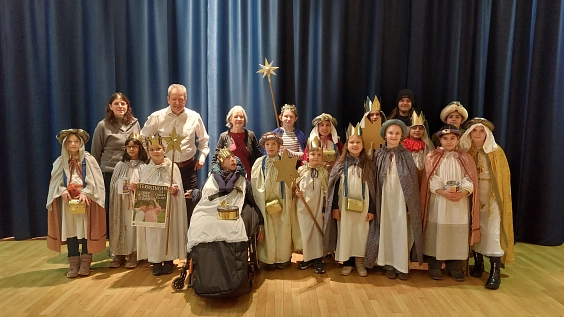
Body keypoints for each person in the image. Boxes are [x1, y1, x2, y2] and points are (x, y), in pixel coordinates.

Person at [140, 84, 210, 227]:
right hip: (164, 169)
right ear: (168, 99)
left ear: (186, 99)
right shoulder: (157, 117)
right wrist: (153, 157)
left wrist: (202, 157)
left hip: (188, 169)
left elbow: (204, 140)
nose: (177, 103)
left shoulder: (194, 117)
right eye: (174, 99)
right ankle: (168, 243)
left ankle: (188, 242)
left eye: (181, 99)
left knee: (189, 204)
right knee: (165, 206)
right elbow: (143, 138)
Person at [459, 118, 515, 290]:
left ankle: (495, 271)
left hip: (492, 198)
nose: (477, 134)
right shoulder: (466, 152)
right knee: (475, 229)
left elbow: (503, 179)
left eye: (481, 131)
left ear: (487, 133)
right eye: (474, 131)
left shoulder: (496, 152)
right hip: (472, 197)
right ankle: (478, 263)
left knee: (492, 232)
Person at [420, 125, 480, 282]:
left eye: (452, 138)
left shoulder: (465, 158)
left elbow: (471, 178)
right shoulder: (432, 157)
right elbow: (430, 178)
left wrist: (465, 191)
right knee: (437, 232)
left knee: (456, 233)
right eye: (445, 138)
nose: (449, 141)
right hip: (439, 202)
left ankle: (455, 266)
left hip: (458, 203)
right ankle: (434, 265)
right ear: (440, 139)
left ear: (458, 139)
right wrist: (442, 191)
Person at [366, 119, 424, 280]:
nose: (393, 136)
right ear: (385, 134)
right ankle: (388, 263)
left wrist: (408, 203)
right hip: (384, 200)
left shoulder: (406, 156)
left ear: (402, 136)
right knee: (385, 229)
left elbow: (411, 182)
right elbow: (373, 181)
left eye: (397, 133)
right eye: (390, 133)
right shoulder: (378, 155)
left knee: (401, 230)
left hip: (401, 199)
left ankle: (401, 264)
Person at [46, 129, 106, 278]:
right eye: (70, 142)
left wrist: (86, 192)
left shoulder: (88, 160)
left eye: (76, 141)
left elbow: (96, 181)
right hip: (68, 204)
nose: (73, 144)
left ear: (81, 143)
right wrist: (62, 191)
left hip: (85, 202)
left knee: (85, 230)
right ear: (65, 144)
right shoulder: (60, 162)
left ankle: (86, 261)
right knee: (71, 231)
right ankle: (73, 262)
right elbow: (55, 182)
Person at [186, 148, 265, 252]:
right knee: (199, 222)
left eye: (233, 157)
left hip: (234, 211)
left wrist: (261, 222)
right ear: (222, 164)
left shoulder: (242, 180)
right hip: (213, 210)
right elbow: (204, 194)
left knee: (235, 225)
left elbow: (253, 201)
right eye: (228, 158)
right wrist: (193, 193)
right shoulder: (211, 179)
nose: (233, 159)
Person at [131, 133, 188, 276]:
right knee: (153, 234)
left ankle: (168, 260)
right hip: (151, 210)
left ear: (164, 149)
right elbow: (143, 188)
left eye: (158, 149)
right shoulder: (146, 168)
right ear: (148, 151)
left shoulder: (172, 166)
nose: (155, 152)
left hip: (169, 207)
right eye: (152, 149)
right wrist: (136, 188)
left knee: (168, 233)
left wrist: (174, 189)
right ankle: (155, 261)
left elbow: (178, 187)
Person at [324, 124, 375, 277]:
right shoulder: (340, 164)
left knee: (361, 233)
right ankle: (347, 262)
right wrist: (334, 207)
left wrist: (372, 209)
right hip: (343, 206)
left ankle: (360, 262)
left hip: (363, 206)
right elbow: (332, 189)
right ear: (347, 145)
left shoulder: (368, 165)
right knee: (345, 232)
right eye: (352, 142)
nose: (355, 145)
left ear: (363, 145)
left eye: (358, 142)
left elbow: (374, 190)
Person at [91, 92, 140, 236]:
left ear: (127, 106)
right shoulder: (103, 125)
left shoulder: (135, 123)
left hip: (131, 172)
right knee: (114, 208)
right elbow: (95, 152)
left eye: (123, 103)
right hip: (111, 172)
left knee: (130, 207)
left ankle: (132, 243)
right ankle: (114, 243)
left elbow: (140, 146)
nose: (120, 106)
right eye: (116, 104)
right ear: (110, 107)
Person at [251, 132, 294, 269]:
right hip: (266, 201)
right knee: (268, 229)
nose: (270, 147)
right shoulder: (259, 163)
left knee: (283, 227)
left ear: (278, 145)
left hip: (282, 201)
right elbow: (255, 183)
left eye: (274, 144)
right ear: (264, 146)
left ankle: (282, 258)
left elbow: (291, 181)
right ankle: (268, 258)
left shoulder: (284, 161)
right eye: (267, 144)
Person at [108, 134, 148, 269]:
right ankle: (120, 253)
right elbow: (113, 184)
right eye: (129, 147)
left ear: (140, 148)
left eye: (134, 146)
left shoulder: (144, 166)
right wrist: (122, 185)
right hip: (122, 203)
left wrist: (138, 187)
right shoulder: (120, 165)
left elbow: (148, 186)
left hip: (137, 204)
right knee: (122, 224)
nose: (131, 149)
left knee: (135, 227)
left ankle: (135, 253)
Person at [294, 137, 329, 274]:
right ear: (307, 155)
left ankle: (318, 259)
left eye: (319, 154)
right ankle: (307, 257)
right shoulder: (301, 170)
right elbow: (294, 186)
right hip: (303, 208)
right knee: (306, 232)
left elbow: (327, 191)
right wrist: (296, 192)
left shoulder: (324, 172)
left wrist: (325, 208)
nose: (316, 157)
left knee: (317, 232)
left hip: (318, 207)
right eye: (313, 154)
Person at [211, 105, 262, 180]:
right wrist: (214, 174)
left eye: (241, 117)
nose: (239, 119)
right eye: (235, 117)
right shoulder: (224, 136)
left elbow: (258, 156)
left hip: (249, 177)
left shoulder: (250, 135)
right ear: (230, 119)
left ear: (244, 120)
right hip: (229, 178)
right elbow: (216, 158)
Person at [402, 111, 435, 183]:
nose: (417, 130)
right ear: (409, 129)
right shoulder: (402, 144)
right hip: (406, 176)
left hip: (423, 176)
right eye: (414, 128)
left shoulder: (427, 144)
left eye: (420, 128)